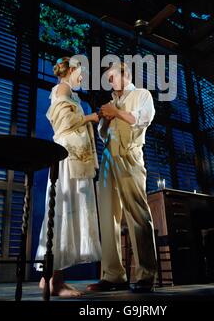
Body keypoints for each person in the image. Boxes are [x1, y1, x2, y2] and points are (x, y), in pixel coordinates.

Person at [87, 62, 157, 293]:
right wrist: (106, 119)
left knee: (137, 213)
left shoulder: (141, 95)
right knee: (107, 216)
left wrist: (116, 113)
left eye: (112, 76)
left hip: (130, 156)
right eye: (107, 78)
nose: (109, 81)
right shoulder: (111, 102)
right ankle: (113, 275)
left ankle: (146, 274)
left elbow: (143, 119)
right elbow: (103, 134)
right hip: (108, 158)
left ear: (125, 74)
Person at [35, 56, 101, 298]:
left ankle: (51, 279)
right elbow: (63, 123)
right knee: (62, 211)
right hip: (67, 158)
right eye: (81, 72)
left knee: (64, 212)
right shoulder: (63, 87)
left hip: (74, 157)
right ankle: (55, 281)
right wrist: (90, 117)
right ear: (71, 70)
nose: (83, 77)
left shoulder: (70, 92)